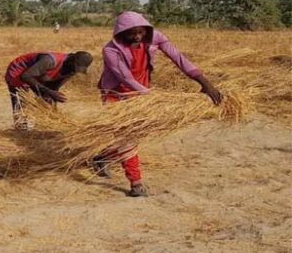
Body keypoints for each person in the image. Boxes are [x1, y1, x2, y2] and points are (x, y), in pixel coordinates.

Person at [95, 11, 222, 197]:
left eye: (140, 32)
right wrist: (153, 97)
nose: (137, 37)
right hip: (116, 93)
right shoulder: (111, 50)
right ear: (121, 33)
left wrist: (205, 83)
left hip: (142, 92)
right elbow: (125, 78)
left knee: (134, 133)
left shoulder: (155, 38)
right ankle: (136, 183)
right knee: (127, 135)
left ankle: (102, 157)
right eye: (132, 34)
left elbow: (179, 59)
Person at [4, 51, 93, 129]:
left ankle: (41, 128)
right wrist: (49, 92)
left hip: (38, 74)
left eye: (77, 69)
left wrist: (53, 109)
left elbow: (54, 87)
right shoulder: (50, 60)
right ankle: (20, 131)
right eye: (75, 67)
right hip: (20, 71)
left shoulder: (72, 70)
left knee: (47, 101)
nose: (75, 70)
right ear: (71, 60)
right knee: (20, 102)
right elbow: (26, 76)